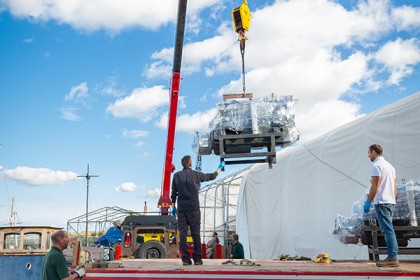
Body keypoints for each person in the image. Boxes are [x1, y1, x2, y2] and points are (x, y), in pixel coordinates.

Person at [171, 155, 224, 265]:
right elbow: (212, 176)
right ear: (190, 164)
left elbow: (173, 193)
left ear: (182, 164)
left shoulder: (176, 176)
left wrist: (173, 206)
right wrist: (219, 167)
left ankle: (185, 259)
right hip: (194, 208)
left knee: (183, 234)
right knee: (195, 233)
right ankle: (198, 259)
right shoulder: (196, 174)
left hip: (181, 209)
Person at [364, 144, 398, 267]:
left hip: (382, 202)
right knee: (389, 230)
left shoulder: (376, 166)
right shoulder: (390, 167)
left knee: (387, 231)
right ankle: (392, 256)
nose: (368, 155)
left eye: (369, 153)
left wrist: (368, 201)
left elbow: (375, 186)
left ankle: (392, 258)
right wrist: (392, 199)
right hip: (390, 201)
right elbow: (394, 187)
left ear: (373, 152)